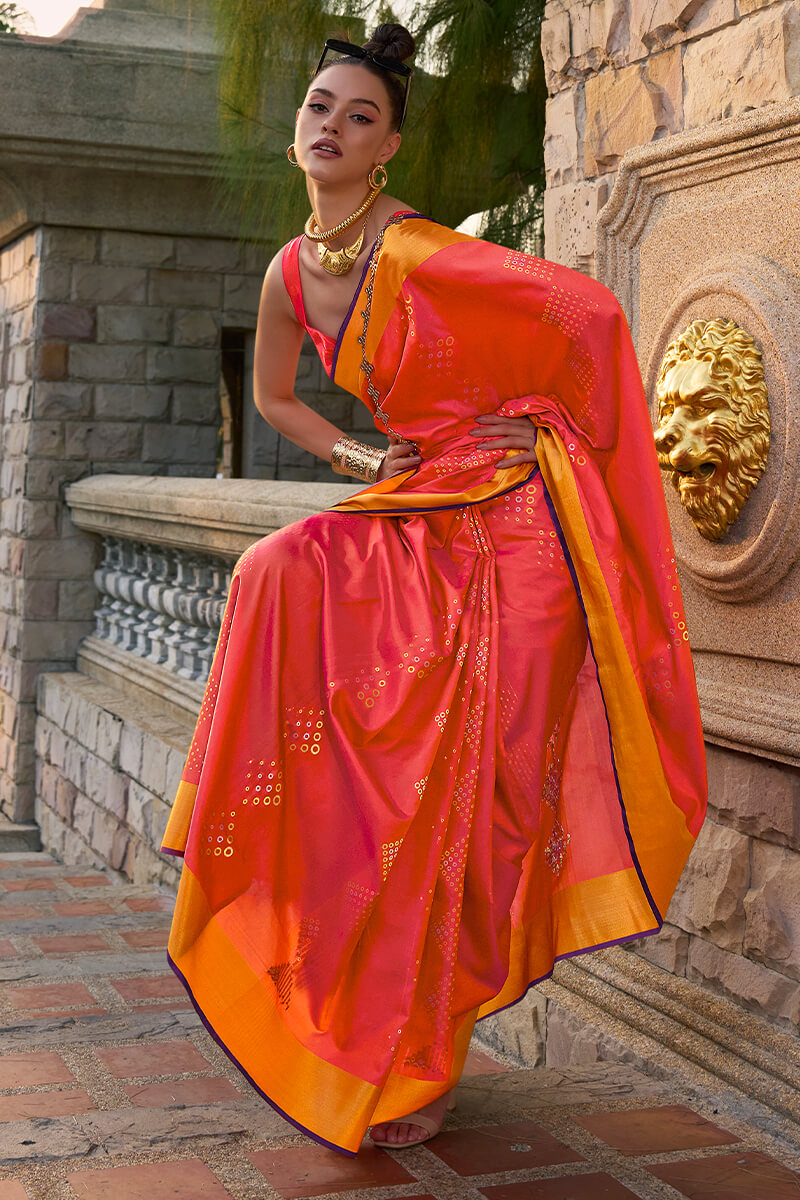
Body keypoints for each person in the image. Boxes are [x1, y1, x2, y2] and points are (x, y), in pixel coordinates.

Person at [160, 23, 707, 1157]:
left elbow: (588, 318)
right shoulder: (287, 271)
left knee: (483, 798)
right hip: (417, 500)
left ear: (387, 148)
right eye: (319, 105)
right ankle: (344, 987)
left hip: (513, 529)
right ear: (297, 123)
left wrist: (540, 424)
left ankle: (429, 1048)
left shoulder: (418, 251)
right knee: (274, 571)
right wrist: (366, 459)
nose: (330, 126)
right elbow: (278, 399)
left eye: (359, 116)